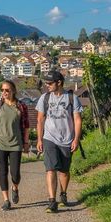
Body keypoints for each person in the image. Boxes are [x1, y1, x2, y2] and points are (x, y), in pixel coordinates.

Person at [36, 70, 83, 213]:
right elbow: (40, 119)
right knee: (50, 169)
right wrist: (39, 139)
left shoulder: (71, 98)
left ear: (59, 83)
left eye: (49, 83)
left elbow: (77, 120)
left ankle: (63, 194)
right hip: (49, 138)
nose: (47, 85)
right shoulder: (44, 98)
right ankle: (52, 201)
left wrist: (76, 139)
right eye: (46, 83)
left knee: (64, 171)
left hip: (67, 139)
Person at [0, 80, 30, 211]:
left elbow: (26, 126)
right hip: (0, 143)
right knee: (3, 171)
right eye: (2, 90)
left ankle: (15, 187)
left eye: (7, 90)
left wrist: (26, 142)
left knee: (15, 173)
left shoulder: (21, 106)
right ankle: (6, 200)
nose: (4, 93)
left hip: (16, 144)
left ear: (13, 91)